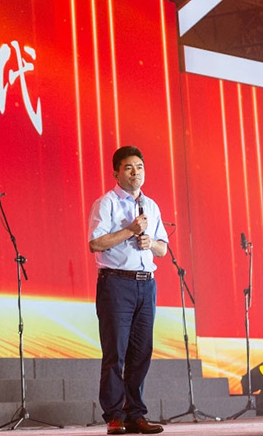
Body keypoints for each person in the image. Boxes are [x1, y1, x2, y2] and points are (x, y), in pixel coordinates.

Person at [88, 145, 169, 435]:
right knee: (116, 353)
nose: (136, 172)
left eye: (140, 167)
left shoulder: (152, 206)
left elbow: (162, 248)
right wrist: (130, 232)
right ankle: (114, 416)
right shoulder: (106, 203)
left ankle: (136, 414)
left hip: (146, 284)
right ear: (116, 173)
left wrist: (151, 243)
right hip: (116, 284)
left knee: (141, 352)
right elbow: (95, 243)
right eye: (129, 167)